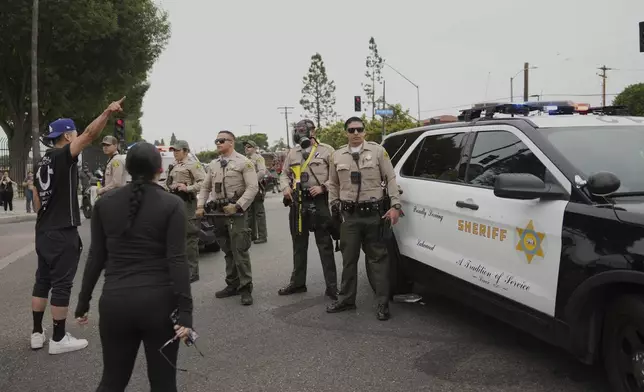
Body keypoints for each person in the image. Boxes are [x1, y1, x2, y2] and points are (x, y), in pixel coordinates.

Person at [75, 142, 194, 391]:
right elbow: (177, 260)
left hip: (115, 303)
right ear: (159, 169)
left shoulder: (104, 205)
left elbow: (96, 256)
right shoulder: (172, 205)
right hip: (159, 305)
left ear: (127, 168)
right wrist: (185, 312)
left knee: (113, 379)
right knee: (163, 382)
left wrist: (83, 301)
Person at [30, 97, 125, 354]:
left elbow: (37, 201)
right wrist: (106, 111)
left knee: (42, 280)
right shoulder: (64, 155)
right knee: (62, 284)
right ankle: (59, 338)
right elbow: (90, 134)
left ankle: (37, 333)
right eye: (74, 134)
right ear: (68, 135)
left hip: (43, 229)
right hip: (63, 230)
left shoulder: (42, 162)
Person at [326, 117, 402, 321]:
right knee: (348, 259)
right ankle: (346, 300)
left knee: (378, 260)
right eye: (351, 130)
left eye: (359, 129)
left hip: (373, 215)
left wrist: (395, 205)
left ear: (365, 132)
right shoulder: (337, 155)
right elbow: (332, 183)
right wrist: (333, 204)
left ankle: (382, 304)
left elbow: (391, 178)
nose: (356, 133)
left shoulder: (378, 151)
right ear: (346, 133)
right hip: (349, 217)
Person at [278, 119, 339, 300]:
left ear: (313, 131)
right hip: (298, 202)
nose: (300, 133)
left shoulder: (327, 151)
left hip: (320, 202)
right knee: (299, 245)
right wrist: (285, 188)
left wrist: (324, 187)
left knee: (324, 245)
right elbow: (283, 174)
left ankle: (332, 287)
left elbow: (336, 177)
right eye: (297, 130)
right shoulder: (293, 152)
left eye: (303, 130)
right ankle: (298, 283)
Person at [197, 130, 258, 305]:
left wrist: (238, 205)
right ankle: (232, 284)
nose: (217, 143)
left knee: (239, 250)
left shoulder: (243, 163)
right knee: (227, 250)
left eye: (221, 140)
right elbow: (205, 187)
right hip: (218, 213)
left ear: (231, 142)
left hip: (236, 212)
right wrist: (200, 205)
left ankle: (246, 288)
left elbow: (253, 188)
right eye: (216, 140)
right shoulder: (213, 165)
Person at [167, 140, 205, 282]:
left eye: (177, 150)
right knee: (179, 237)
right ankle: (183, 269)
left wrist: (187, 188)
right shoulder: (174, 165)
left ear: (185, 151)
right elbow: (168, 183)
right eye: (174, 151)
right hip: (175, 202)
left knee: (190, 237)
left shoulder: (193, 165)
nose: (175, 153)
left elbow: (203, 182)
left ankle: (193, 271)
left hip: (188, 203)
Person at [244, 140, 268, 244]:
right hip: (247, 189)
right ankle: (252, 235)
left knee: (259, 213)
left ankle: (262, 236)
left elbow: (262, 172)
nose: (246, 148)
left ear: (254, 148)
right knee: (249, 213)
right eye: (245, 146)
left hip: (256, 187)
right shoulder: (245, 159)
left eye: (249, 146)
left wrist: (252, 182)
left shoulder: (258, 158)